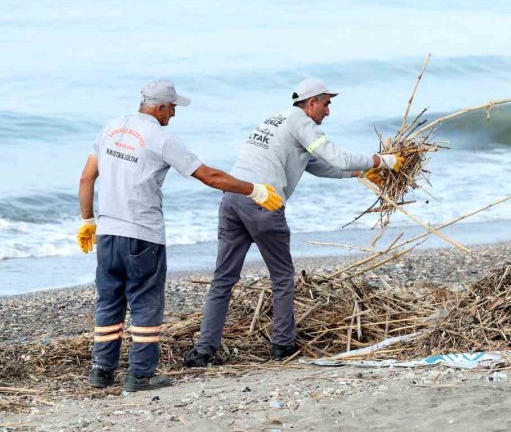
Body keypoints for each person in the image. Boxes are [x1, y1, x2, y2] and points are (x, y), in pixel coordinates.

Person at [77, 80, 283, 392]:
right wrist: (254, 190)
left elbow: (87, 177)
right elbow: (209, 176)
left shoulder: (111, 128)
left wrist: (87, 221)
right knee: (145, 302)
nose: (173, 114)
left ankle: (101, 371)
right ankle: (140, 376)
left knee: (109, 301)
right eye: (172, 108)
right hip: (142, 234)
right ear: (159, 107)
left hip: (107, 234)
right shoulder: (161, 138)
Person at [183, 78, 404, 367]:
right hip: (263, 202)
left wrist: (360, 174)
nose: (328, 111)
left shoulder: (277, 120)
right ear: (311, 103)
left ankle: (203, 351)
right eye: (326, 104)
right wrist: (383, 161)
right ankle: (282, 346)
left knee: (223, 278)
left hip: (232, 199)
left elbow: (316, 165)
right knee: (283, 276)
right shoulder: (302, 122)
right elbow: (338, 158)